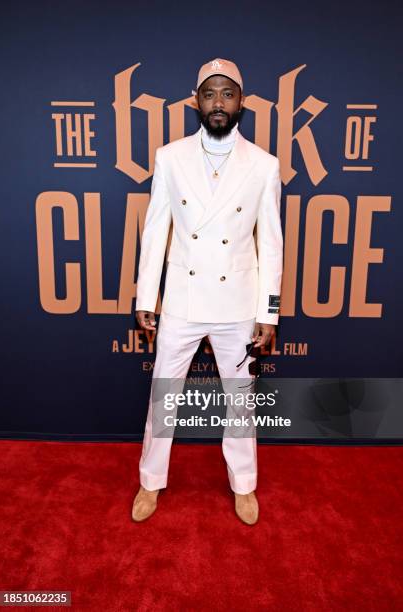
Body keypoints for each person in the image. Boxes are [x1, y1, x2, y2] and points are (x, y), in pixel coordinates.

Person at [132, 58, 283, 525]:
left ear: (242, 102)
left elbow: (272, 243)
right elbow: (156, 231)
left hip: (237, 302)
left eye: (228, 94)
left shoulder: (263, 165)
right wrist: (145, 299)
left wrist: (270, 312)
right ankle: (150, 482)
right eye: (210, 93)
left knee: (240, 401)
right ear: (196, 100)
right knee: (164, 396)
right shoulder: (169, 157)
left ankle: (244, 485)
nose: (219, 103)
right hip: (183, 298)